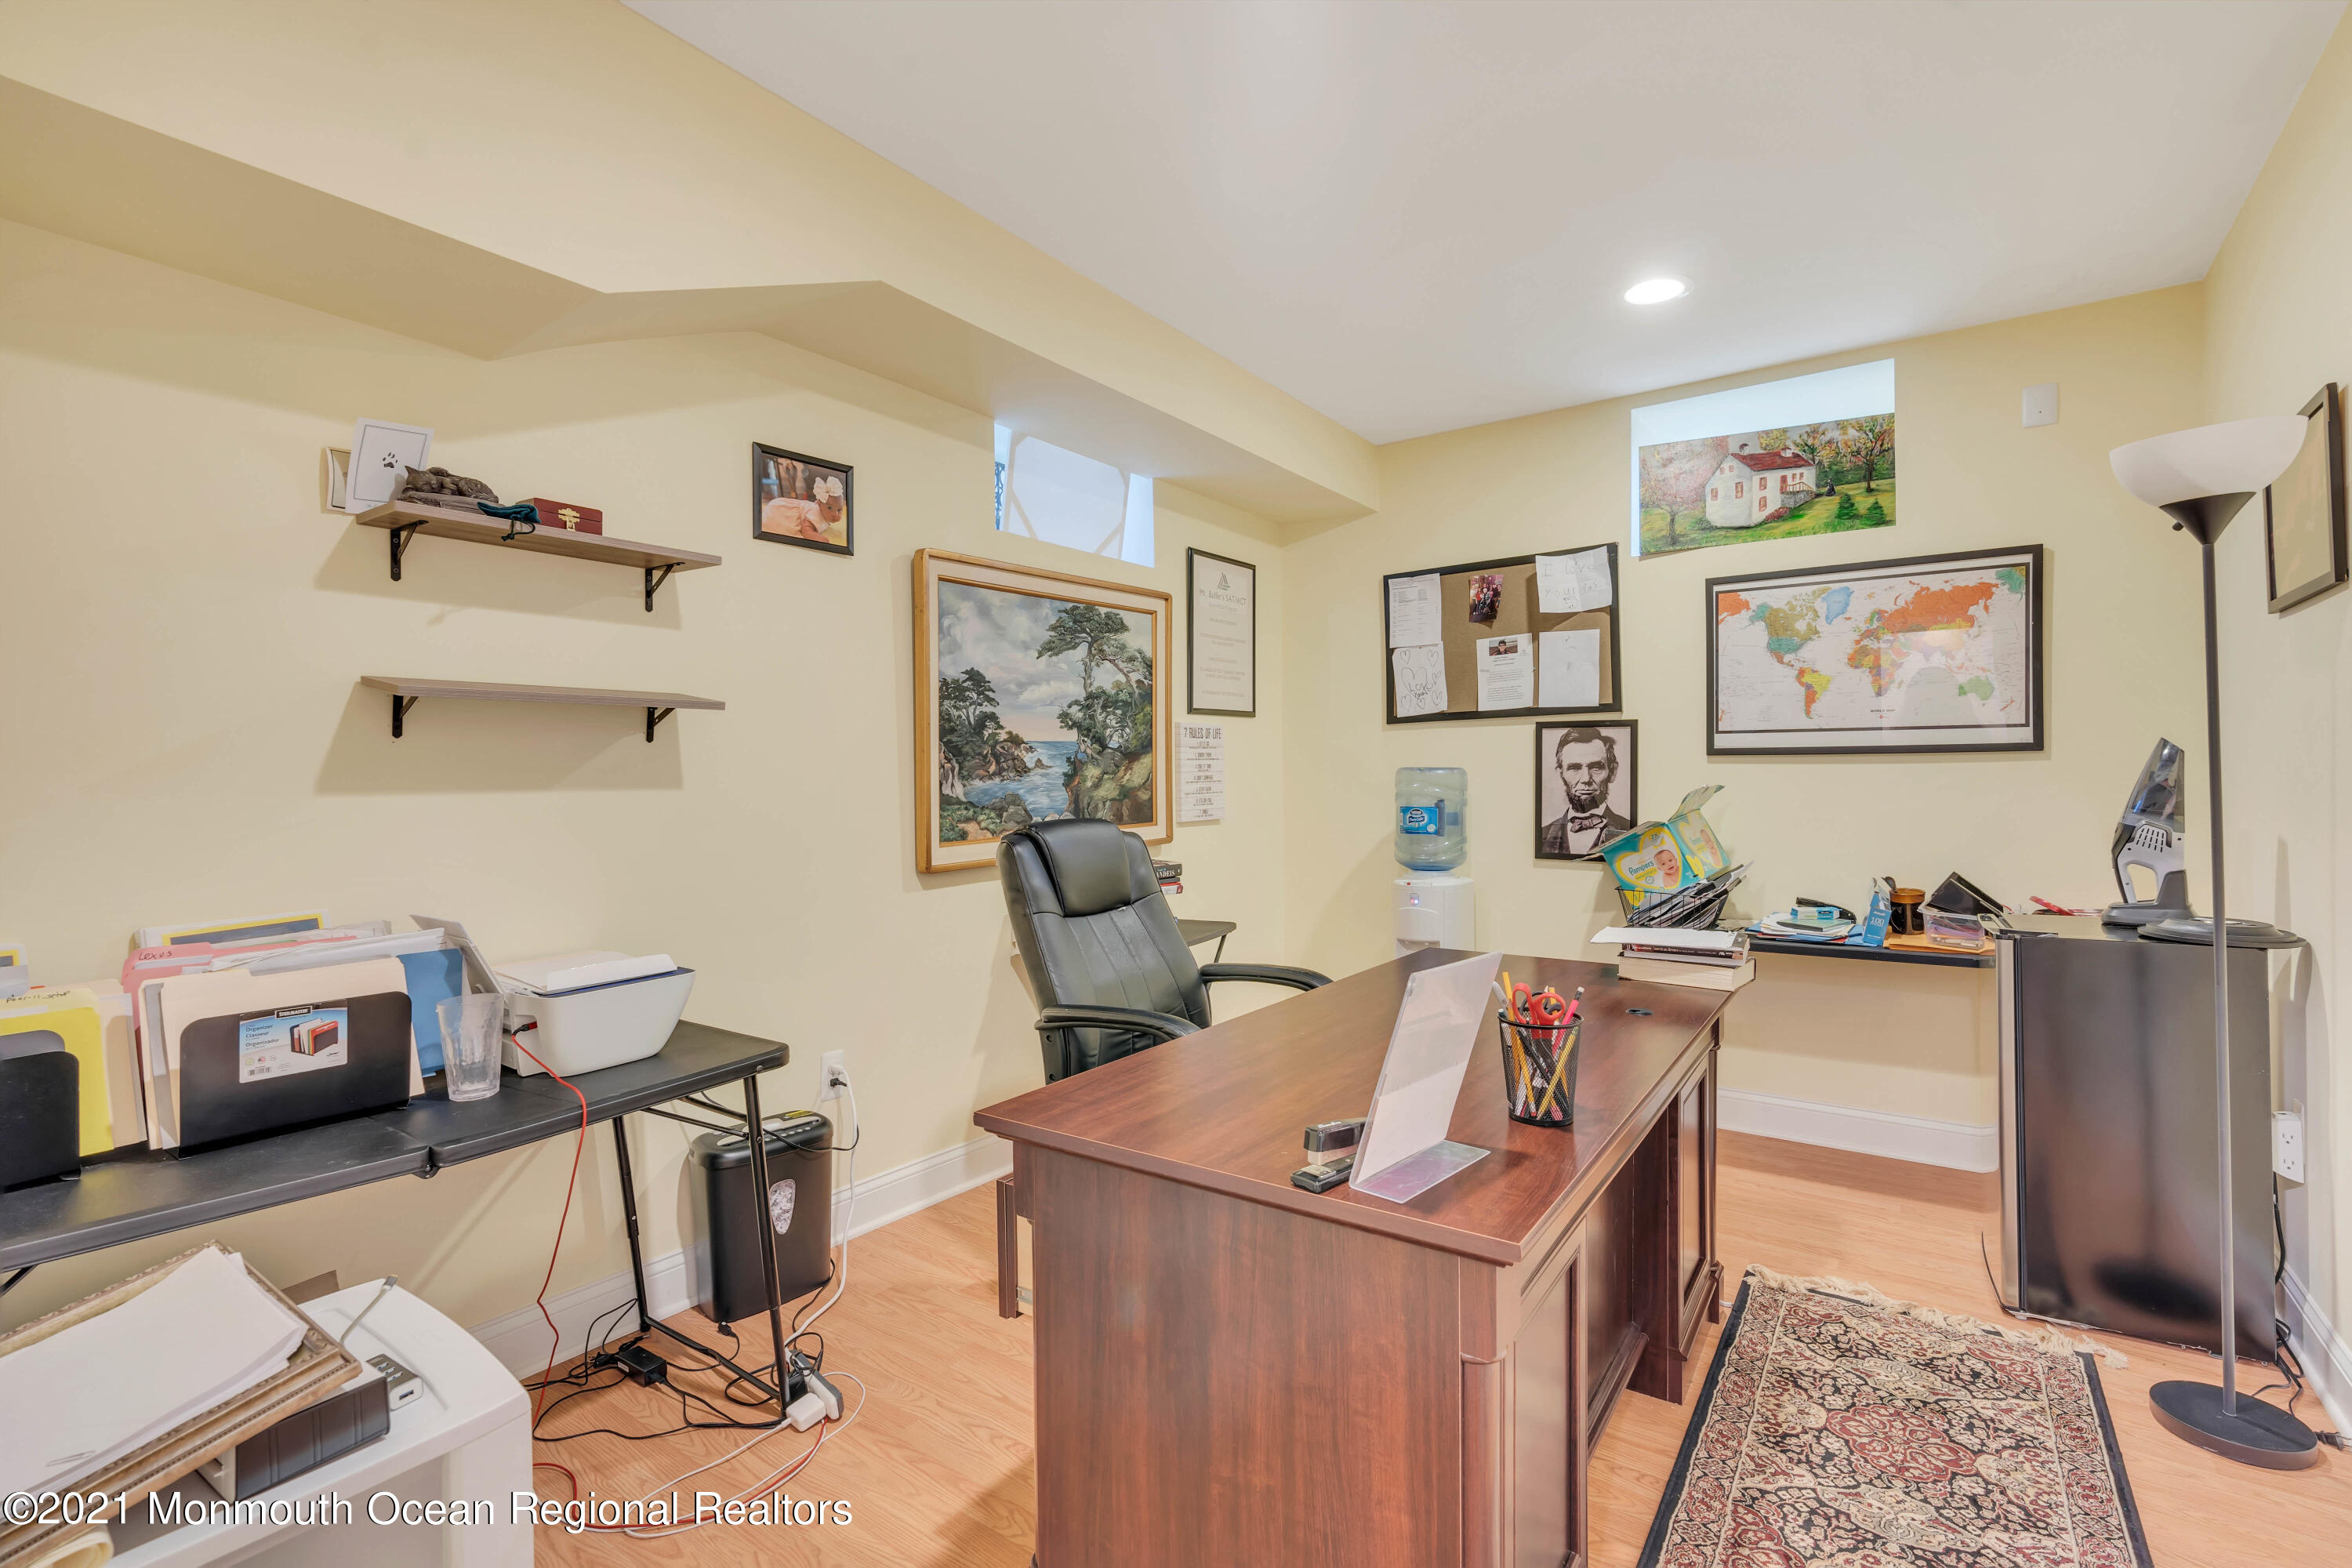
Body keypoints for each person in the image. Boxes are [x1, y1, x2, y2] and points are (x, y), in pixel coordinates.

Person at [1539, 727, 1632, 858]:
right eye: (1574, 768)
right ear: (1561, 775)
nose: (1586, 779)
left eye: (1596, 767)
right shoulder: (1542, 834)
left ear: (1612, 772)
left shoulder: (1631, 831)